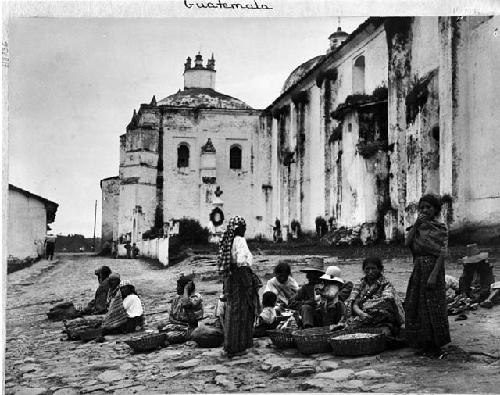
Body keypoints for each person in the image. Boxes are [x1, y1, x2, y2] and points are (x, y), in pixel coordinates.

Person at [404, 194, 450, 355]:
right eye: (422, 207)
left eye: (428, 207)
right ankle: (422, 341)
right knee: (416, 304)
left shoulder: (440, 228)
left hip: (433, 269)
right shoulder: (419, 227)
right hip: (418, 269)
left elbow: (442, 254)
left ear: (435, 209)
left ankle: (436, 344)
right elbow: (407, 242)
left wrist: (433, 275)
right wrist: (416, 225)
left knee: (433, 305)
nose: (424, 210)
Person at [218, 216, 261, 357]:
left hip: (231, 278)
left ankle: (231, 344)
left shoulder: (228, 242)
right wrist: (248, 284)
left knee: (232, 310)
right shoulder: (239, 241)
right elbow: (242, 263)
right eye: (243, 227)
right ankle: (240, 345)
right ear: (238, 228)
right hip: (240, 278)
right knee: (243, 310)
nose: (245, 230)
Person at [343, 257, 404, 336]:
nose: (370, 272)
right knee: (348, 331)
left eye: (373, 269)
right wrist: (361, 313)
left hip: (381, 318)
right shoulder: (359, 284)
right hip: (362, 317)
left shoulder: (386, 284)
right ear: (364, 270)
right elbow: (353, 303)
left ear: (380, 269)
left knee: (384, 334)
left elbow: (387, 300)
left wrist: (367, 307)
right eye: (367, 269)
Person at [159, 275, 203, 344]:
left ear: (186, 287)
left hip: (189, 328)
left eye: (178, 286)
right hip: (178, 326)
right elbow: (171, 317)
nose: (176, 288)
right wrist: (177, 324)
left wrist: (186, 289)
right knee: (160, 326)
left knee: (170, 336)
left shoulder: (196, 297)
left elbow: (186, 304)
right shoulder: (177, 298)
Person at [291, 257, 325, 328]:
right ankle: (308, 328)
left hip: (326, 316)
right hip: (312, 318)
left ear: (319, 275)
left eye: (312, 274)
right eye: (309, 274)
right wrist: (305, 302)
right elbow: (291, 302)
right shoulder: (305, 288)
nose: (308, 276)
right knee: (305, 307)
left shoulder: (328, 286)